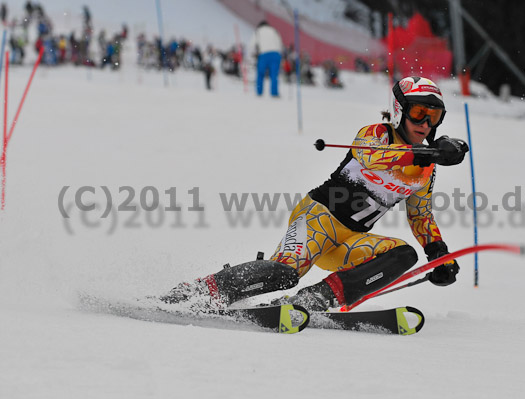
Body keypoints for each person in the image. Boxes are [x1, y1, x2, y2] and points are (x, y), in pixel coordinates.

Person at [161, 76, 469, 312]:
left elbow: (420, 214)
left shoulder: (426, 169)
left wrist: (438, 255)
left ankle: (315, 299)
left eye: (434, 116)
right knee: (285, 272)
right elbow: (373, 158)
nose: (426, 124)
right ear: (400, 111)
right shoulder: (376, 134)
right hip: (319, 218)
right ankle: (199, 291)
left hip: (351, 241)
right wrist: (427, 155)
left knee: (403, 254)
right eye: (418, 113)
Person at [248, 21, 283, 97]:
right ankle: (274, 93)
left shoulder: (258, 31)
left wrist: (253, 55)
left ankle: (259, 92)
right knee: (274, 74)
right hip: (276, 53)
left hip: (264, 54)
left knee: (260, 74)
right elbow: (279, 43)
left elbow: (252, 44)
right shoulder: (274, 31)